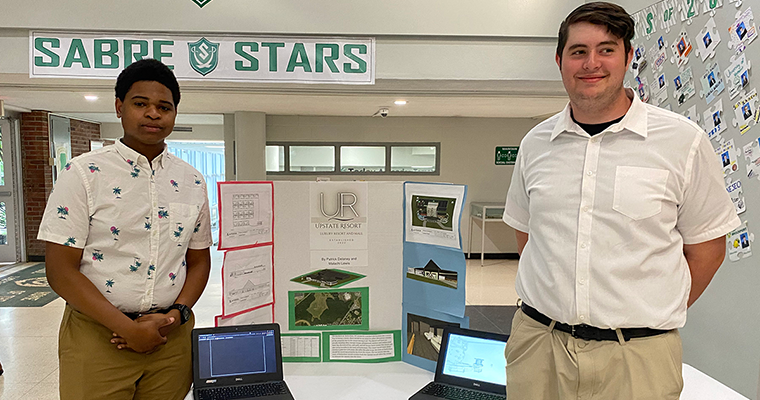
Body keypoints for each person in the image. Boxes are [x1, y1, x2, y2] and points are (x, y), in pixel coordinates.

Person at [502, 3, 740, 400]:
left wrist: (646, 313)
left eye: (606, 49)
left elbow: (708, 248)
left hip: (637, 358)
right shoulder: (535, 144)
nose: (591, 63)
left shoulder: (682, 142)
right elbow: (528, 237)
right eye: (578, 51)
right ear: (560, 60)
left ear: (629, 57)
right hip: (538, 349)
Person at [38, 59, 213, 400]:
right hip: (98, 336)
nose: (153, 113)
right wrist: (127, 329)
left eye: (164, 107)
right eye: (140, 104)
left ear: (174, 114)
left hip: (170, 338)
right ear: (119, 107)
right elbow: (60, 271)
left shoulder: (191, 180)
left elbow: (199, 261)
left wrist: (175, 316)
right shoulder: (84, 174)